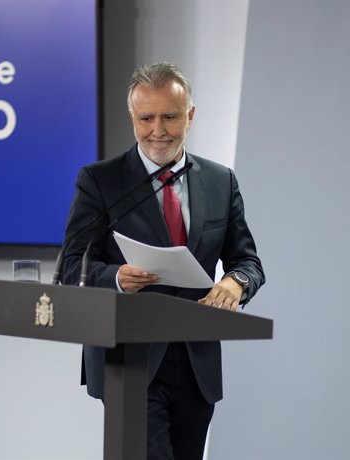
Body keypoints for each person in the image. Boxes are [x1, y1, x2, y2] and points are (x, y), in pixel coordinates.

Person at [61, 62, 265, 460]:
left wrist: (236, 282)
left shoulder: (221, 181)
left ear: (190, 115)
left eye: (170, 116)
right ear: (132, 118)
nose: (158, 130)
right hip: (130, 360)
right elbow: (72, 266)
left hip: (195, 362)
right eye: (146, 118)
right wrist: (117, 276)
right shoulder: (101, 181)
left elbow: (248, 260)